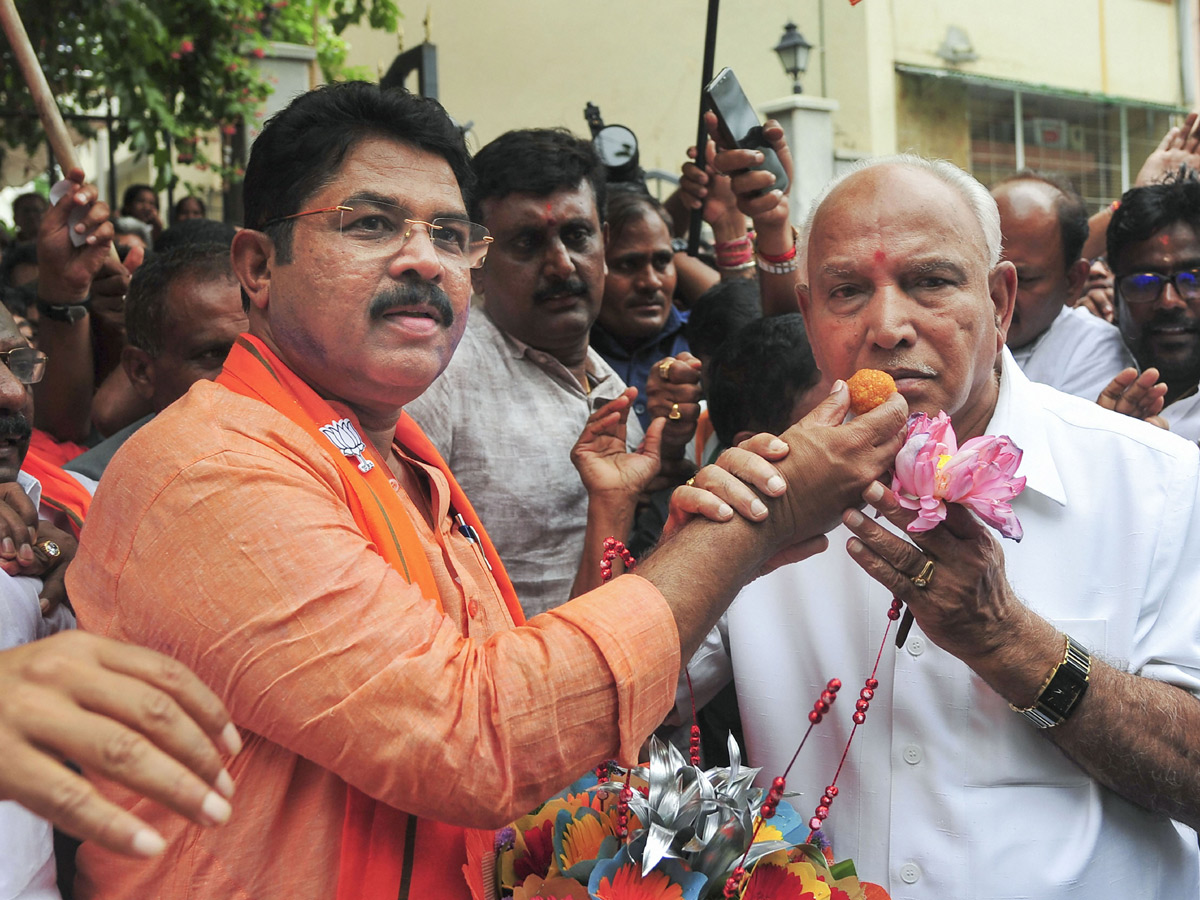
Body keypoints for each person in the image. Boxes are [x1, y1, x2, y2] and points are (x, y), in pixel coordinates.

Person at [68, 82, 906, 900]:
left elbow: (531, 700)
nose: (422, 259)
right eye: (368, 223)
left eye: (449, 232)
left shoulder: (405, 460)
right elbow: (476, 739)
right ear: (258, 264)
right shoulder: (211, 469)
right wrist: (748, 526)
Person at [706, 148, 1200, 897]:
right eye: (846, 291)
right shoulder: (762, 497)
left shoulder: (1156, 484)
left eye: (930, 282)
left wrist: (1010, 643)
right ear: (807, 316)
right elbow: (604, 715)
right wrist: (692, 545)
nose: (887, 325)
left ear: (1001, 304)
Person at [405, 128, 694, 615]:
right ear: (476, 258)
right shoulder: (437, 375)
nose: (561, 265)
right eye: (527, 242)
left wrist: (668, 446)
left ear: (603, 238)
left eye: (577, 236)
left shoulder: (608, 383)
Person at [65, 242, 247, 482]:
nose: (247, 373)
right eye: (212, 354)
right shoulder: (91, 495)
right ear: (141, 371)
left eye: (259, 350)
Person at [991, 172, 1134, 399]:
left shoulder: (1093, 351)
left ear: (1073, 281)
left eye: (1023, 280)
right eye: (983, 273)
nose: (994, 296)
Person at [1108, 169, 1200, 441]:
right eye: (1143, 283)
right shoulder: (1080, 375)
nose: (1169, 301)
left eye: (1193, 279)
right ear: (1115, 297)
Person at [589, 191, 689, 430]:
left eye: (662, 262)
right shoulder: (563, 354)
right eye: (627, 264)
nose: (651, 282)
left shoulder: (702, 340)